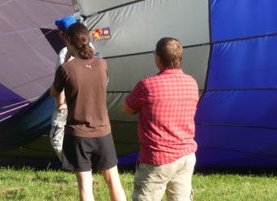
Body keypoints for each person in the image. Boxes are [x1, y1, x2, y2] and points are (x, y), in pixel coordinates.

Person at [51, 23, 125, 201]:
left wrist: (67, 59)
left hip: (78, 134)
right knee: (113, 180)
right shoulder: (102, 64)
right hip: (103, 131)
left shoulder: (65, 69)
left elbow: (55, 93)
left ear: (68, 40)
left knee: (85, 184)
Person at [122, 38, 199, 201]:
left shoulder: (147, 85)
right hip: (185, 156)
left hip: (157, 159)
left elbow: (126, 108)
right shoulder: (192, 83)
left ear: (158, 59)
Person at [49, 15, 77, 161]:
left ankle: (77, 169)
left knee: (56, 139)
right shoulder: (91, 48)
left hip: (66, 103)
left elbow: (61, 81)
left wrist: (61, 104)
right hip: (85, 103)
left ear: (61, 33)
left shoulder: (64, 53)